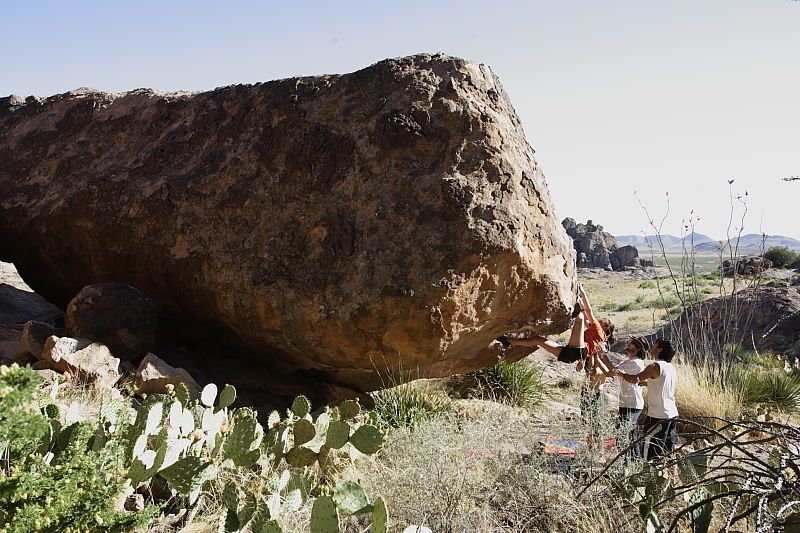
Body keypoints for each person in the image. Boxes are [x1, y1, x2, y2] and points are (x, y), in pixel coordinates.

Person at [505, 284, 615, 367]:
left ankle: (574, 311)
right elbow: (587, 322)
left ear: (605, 327)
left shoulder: (599, 330)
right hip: (570, 356)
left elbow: (588, 311)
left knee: (580, 318)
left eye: (603, 320)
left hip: (577, 350)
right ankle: (508, 341)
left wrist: (582, 292)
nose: (601, 319)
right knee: (538, 340)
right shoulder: (600, 339)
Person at [614, 338, 678, 460]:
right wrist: (648, 383)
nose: (652, 346)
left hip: (658, 416)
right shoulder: (671, 368)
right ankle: (670, 478)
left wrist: (621, 374)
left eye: (655, 345)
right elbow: (663, 384)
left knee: (650, 453)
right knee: (668, 452)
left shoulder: (654, 366)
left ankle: (648, 477)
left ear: (660, 350)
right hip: (672, 414)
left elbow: (635, 379)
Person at [613, 337, 648, 451]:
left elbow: (611, 371)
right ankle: (630, 461)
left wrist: (600, 356)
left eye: (632, 344)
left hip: (632, 404)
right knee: (628, 434)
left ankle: (632, 460)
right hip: (626, 403)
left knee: (625, 433)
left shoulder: (635, 363)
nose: (628, 344)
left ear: (637, 349)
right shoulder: (627, 362)